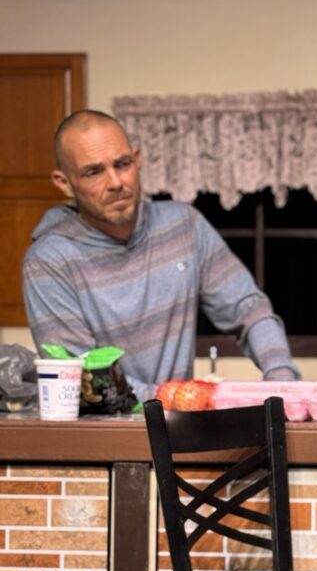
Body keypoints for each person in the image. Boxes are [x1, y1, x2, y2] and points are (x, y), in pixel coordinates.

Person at [23, 110, 299, 401]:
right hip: (102, 439)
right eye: (94, 172)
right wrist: (182, 398)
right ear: (64, 182)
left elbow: (249, 309)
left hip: (177, 433)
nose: (116, 182)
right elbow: (81, 379)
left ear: (137, 159)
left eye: (123, 164)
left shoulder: (184, 226)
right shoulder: (48, 262)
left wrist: (282, 378)